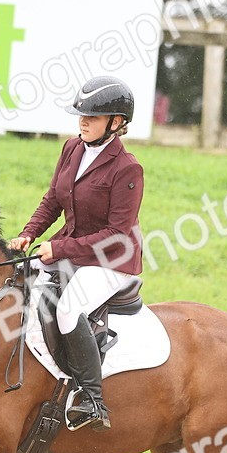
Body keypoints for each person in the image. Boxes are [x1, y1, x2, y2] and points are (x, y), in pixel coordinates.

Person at [8, 76, 145, 432]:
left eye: (92, 117)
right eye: (80, 116)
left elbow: (117, 235)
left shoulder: (127, 168)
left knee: (69, 310)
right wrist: (29, 233)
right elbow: (54, 198)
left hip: (112, 260)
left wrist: (60, 248)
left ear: (116, 123)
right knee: (17, 279)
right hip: (73, 250)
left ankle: (92, 398)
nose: (82, 122)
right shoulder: (72, 148)